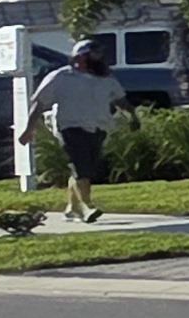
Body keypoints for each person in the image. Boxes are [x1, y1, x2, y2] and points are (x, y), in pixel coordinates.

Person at [25, 36, 127, 221]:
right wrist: (28, 130)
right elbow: (39, 103)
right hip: (69, 127)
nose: (98, 58)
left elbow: (120, 99)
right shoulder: (61, 77)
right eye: (93, 54)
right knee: (81, 166)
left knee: (85, 168)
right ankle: (87, 207)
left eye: (99, 54)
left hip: (98, 127)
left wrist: (133, 115)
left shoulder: (105, 79)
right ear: (79, 57)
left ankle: (72, 205)